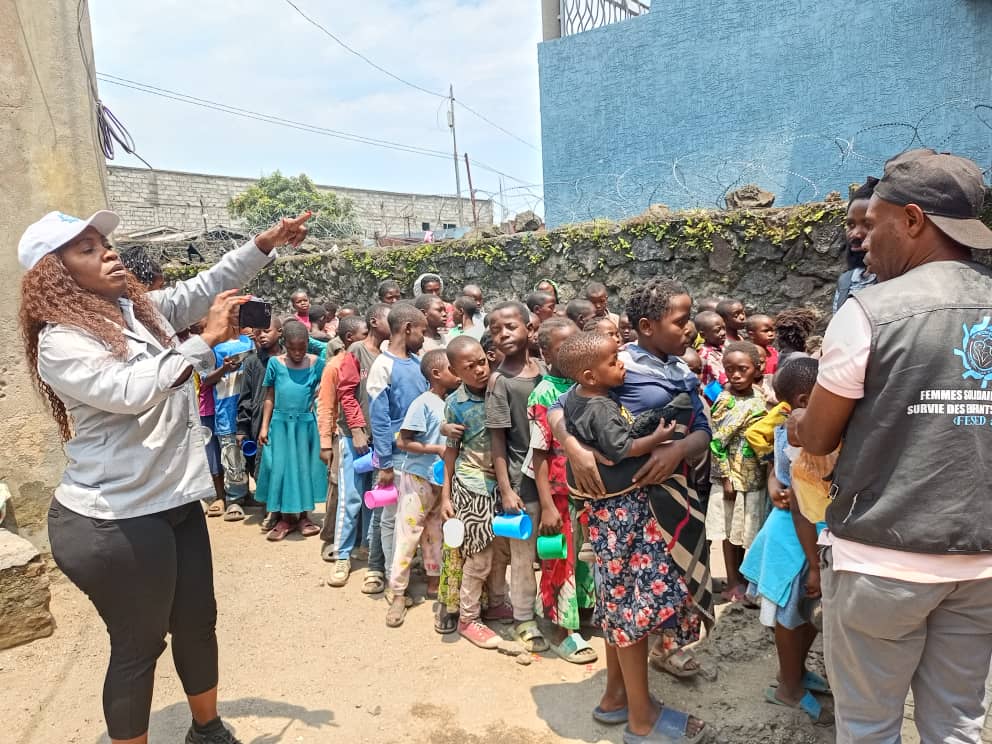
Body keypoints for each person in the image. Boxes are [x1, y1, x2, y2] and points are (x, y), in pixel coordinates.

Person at [20, 207, 310, 744]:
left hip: (172, 503)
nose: (107, 251)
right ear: (53, 274)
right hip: (113, 519)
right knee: (140, 645)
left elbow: (208, 284)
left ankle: (208, 729)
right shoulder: (62, 342)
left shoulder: (136, 311)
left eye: (102, 241)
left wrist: (264, 244)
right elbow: (129, 393)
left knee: (199, 623)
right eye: (86, 248)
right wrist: (203, 343)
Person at [791, 149, 992, 743]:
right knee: (958, 720)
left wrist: (802, 421)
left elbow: (822, 435)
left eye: (871, 223)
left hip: (882, 557)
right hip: (980, 561)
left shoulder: (869, 311)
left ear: (912, 220)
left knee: (870, 726)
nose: (862, 241)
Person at [550, 278, 710, 741]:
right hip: (625, 508)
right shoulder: (620, 366)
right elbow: (563, 404)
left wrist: (677, 452)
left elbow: (702, 427)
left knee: (625, 603)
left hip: (659, 502)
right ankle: (642, 720)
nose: (690, 327)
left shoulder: (681, 371)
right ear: (647, 325)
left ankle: (616, 697)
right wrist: (574, 448)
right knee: (630, 606)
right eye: (681, 320)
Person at [740, 357, 832, 726]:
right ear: (807, 398)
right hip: (797, 541)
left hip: (807, 534)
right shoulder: (798, 435)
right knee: (791, 617)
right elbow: (799, 504)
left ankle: (794, 672)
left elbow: (776, 476)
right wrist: (813, 565)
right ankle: (787, 688)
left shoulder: (799, 427)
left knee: (806, 615)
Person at [522, 318, 598, 663]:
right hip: (559, 491)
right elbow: (538, 454)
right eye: (562, 349)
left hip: (588, 491)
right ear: (544, 352)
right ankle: (559, 629)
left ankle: (580, 614)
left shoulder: (586, 386)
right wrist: (548, 505)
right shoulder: (545, 393)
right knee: (559, 561)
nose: (572, 354)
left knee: (585, 556)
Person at [438, 335, 509, 649]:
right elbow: (450, 450)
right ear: (455, 371)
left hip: (503, 485)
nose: (481, 369)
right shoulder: (456, 404)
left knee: (500, 553)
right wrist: (446, 495)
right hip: (472, 486)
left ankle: (495, 603)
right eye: (471, 366)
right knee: (478, 555)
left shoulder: (501, 387)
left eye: (483, 361)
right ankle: (468, 617)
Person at [486, 301, 548, 652]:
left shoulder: (545, 370)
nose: (503, 334)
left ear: (530, 328)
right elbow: (498, 440)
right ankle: (524, 617)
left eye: (510, 326)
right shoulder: (500, 382)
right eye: (496, 330)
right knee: (522, 556)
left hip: (550, 481)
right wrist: (506, 490)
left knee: (552, 551)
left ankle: (554, 610)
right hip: (520, 480)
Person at [386, 349, 461, 627]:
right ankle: (397, 592)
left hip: (440, 480)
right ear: (437, 374)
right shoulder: (423, 403)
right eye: (453, 369)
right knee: (408, 535)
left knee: (435, 533)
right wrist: (436, 448)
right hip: (417, 476)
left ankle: (434, 582)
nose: (459, 374)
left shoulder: (453, 401)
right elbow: (403, 441)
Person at [367, 303, 429, 595]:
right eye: (422, 332)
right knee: (392, 519)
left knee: (412, 518)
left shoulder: (417, 363)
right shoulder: (383, 366)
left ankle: (406, 567)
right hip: (396, 457)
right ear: (407, 329)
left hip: (419, 453)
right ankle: (394, 579)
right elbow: (379, 420)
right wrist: (385, 464)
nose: (424, 338)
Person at [329, 304, 391, 589]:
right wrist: (355, 429)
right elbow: (346, 393)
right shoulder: (356, 351)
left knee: (373, 497)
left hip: (379, 438)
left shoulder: (389, 355)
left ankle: (367, 548)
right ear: (375, 321)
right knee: (351, 496)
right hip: (354, 437)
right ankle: (342, 555)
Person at [706, 341, 767, 603]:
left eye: (743, 369)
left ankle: (746, 578)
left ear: (756, 368)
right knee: (731, 533)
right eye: (730, 369)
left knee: (748, 529)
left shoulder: (759, 395)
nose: (736, 375)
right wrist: (726, 477)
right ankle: (733, 582)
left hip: (755, 476)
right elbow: (716, 442)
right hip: (734, 477)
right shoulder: (726, 400)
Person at [255, 320, 326, 541]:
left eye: (302, 348)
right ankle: (285, 518)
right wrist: (264, 426)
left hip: (306, 425)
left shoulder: (317, 363)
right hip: (280, 424)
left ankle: (305, 516)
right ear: (285, 344)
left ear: (308, 344)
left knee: (304, 469)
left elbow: (323, 392)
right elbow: (269, 397)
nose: (297, 352)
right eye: (293, 348)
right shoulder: (275, 364)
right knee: (282, 469)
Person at [315, 315, 369, 559]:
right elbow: (326, 406)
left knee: (363, 490)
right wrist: (326, 443)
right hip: (342, 436)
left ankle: (360, 540)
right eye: (364, 335)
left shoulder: (368, 361)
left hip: (363, 437)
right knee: (338, 489)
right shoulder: (334, 366)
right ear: (350, 339)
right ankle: (331, 538)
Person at [236, 315, 283, 519]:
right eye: (258, 332)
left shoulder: (290, 359)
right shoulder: (252, 362)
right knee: (263, 465)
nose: (262, 336)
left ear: (280, 332)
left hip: (285, 421)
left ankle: (286, 508)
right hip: (259, 423)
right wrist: (241, 428)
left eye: (267, 331)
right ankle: (269, 505)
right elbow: (245, 396)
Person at [211, 325, 254, 522]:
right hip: (226, 407)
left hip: (249, 406)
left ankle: (247, 492)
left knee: (250, 452)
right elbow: (205, 379)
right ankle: (234, 498)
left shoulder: (250, 342)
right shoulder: (212, 346)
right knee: (231, 455)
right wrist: (225, 368)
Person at [832, 177, 878, 313]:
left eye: (867, 224)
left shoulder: (900, 281)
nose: (856, 234)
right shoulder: (846, 282)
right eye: (851, 225)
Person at [695, 310, 727, 390]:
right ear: (703, 335)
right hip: (716, 395)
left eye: (724, 328)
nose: (723, 333)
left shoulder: (721, 348)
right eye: (717, 330)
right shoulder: (708, 355)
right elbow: (724, 382)